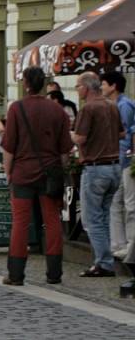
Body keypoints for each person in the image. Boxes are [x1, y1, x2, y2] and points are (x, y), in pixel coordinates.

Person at [0, 67, 72, 286]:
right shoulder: (58, 110)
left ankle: (16, 274)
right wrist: (61, 171)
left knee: (20, 222)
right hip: (50, 172)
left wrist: (7, 172)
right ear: (43, 83)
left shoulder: (17, 109)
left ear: (25, 83)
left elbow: (9, 147)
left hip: (23, 172)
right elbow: (65, 151)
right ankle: (54, 273)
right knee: (52, 221)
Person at [72, 72, 124, 277]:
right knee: (104, 216)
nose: (77, 90)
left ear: (86, 88)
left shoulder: (88, 108)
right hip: (114, 167)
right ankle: (105, 259)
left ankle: (104, 263)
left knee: (92, 219)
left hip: (95, 168)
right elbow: (121, 133)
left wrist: (70, 136)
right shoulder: (112, 105)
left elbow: (81, 138)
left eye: (77, 86)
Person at [101, 71, 135, 259]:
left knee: (127, 204)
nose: (102, 87)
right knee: (117, 202)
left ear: (113, 86)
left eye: (104, 84)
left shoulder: (123, 106)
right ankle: (119, 244)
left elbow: (126, 137)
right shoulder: (116, 105)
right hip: (120, 160)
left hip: (126, 161)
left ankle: (129, 245)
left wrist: (117, 159)